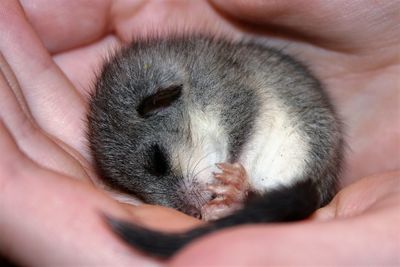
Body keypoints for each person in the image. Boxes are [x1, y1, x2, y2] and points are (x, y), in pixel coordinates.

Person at [0, 0, 398, 266]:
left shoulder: (212, 85)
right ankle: (251, 200)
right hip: (262, 184)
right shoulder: (180, 111)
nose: (171, 201)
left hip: (297, 140)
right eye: (143, 192)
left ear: (162, 100)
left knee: (312, 129)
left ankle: (254, 196)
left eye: (160, 164)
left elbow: (245, 108)